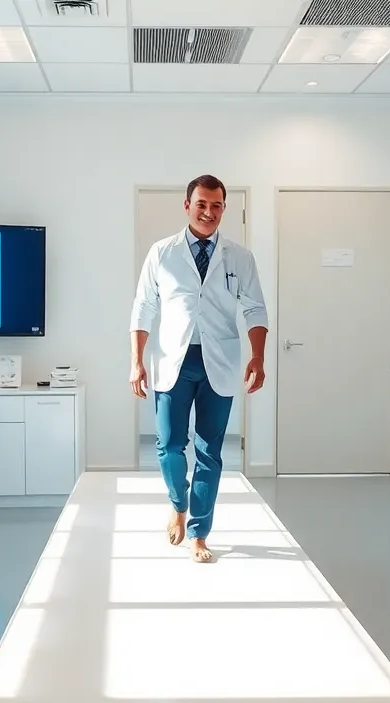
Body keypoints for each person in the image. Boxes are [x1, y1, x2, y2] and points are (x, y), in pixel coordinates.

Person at [128, 174, 268, 563]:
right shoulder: (162, 252)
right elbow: (143, 307)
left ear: (225, 208)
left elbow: (255, 308)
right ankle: (178, 503)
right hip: (172, 360)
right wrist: (135, 361)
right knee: (169, 444)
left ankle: (199, 533)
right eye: (201, 204)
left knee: (210, 452)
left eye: (216, 205)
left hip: (219, 362)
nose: (209, 212)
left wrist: (258, 355)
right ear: (187, 205)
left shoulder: (241, 257)